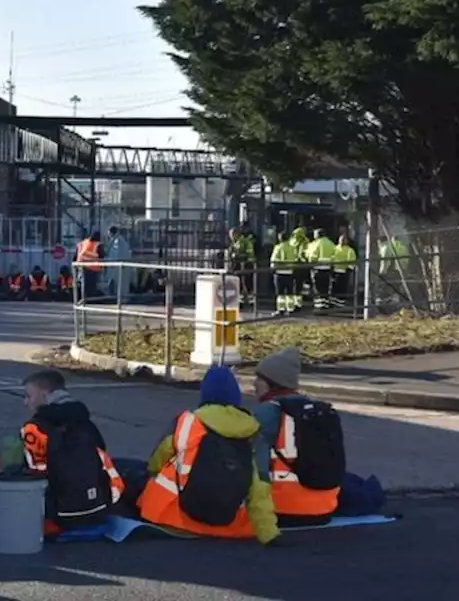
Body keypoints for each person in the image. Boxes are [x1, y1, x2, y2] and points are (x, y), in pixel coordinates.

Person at [135, 366, 280, 544]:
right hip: (227, 525)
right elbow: (259, 488)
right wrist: (268, 534)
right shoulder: (251, 431)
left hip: (174, 518)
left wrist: (150, 473)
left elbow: (158, 460)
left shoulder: (189, 422)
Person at [20, 370, 125, 533]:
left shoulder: (35, 428)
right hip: (98, 508)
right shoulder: (84, 421)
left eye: (28, 396)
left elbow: (35, 473)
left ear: (44, 394)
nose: (25, 402)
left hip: (60, 514)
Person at [252, 348, 345, 526]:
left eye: (259, 379)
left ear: (273, 383)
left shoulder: (267, 413)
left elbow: (258, 468)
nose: (254, 384)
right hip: (324, 509)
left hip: (282, 511)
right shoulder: (317, 409)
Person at [270, 230, 301, 316]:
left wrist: (273, 269)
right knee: (290, 293)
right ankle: (290, 309)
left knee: (280, 293)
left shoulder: (278, 247)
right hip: (290, 272)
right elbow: (295, 259)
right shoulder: (292, 248)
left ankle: (281, 310)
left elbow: (274, 261)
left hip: (280, 273)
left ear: (280, 238)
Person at [304, 228, 337, 309]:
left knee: (318, 289)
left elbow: (311, 257)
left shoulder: (315, 244)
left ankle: (319, 307)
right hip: (328, 269)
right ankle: (325, 305)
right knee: (325, 289)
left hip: (317, 269)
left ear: (317, 235)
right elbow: (335, 255)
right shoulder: (331, 243)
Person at [102, 226, 133, 301]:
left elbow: (116, 254)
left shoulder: (118, 241)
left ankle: (122, 299)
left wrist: (111, 262)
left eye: (109, 233)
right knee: (118, 283)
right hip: (118, 265)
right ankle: (119, 298)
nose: (108, 235)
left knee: (121, 283)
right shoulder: (117, 240)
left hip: (119, 266)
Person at [228, 227, 256, 301]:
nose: (231, 237)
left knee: (246, 281)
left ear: (236, 234)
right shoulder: (235, 243)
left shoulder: (245, 241)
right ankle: (241, 298)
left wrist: (237, 255)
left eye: (232, 235)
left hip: (246, 265)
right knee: (239, 281)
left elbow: (249, 254)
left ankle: (248, 298)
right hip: (237, 265)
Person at [76, 231, 102, 301]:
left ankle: (81, 300)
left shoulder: (83, 243)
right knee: (91, 286)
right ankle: (89, 300)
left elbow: (77, 255)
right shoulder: (98, 244)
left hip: (81, 266)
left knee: (82, 284)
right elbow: (101, 256)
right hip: (92, 268)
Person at [331, 235, 357, 307]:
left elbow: (352, 261)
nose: (342, 241)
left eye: (344, 239)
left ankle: (341, 303)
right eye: (341, 239)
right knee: (334, 287)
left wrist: (349, 270)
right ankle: (334, 302)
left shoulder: (350, 250)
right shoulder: (335, 248)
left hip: (344, 272)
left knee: (343, 288)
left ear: (347, 241)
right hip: (335, 271)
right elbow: (331, 258)